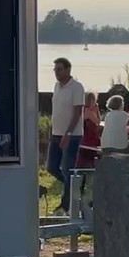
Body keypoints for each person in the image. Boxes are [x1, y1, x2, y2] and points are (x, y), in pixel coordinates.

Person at [47, 57, 85, 215]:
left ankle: (66, 205)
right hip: (56, 133)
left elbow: (77, 112)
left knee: (68, 168)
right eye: (55, 69)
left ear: (68, 69)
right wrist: (52, 131)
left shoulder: (77, 87)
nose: (56, 72)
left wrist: (68, 133)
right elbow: (56, 111)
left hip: (72, 135)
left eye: (59, 69)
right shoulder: (57, 86)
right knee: (51, 167)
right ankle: (75, 186)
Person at [76, 92, 103, 170]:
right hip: (88, 138)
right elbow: (97, 121)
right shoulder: (87, 111)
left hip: (89, 137)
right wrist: (97, 111)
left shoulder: (86, 110)